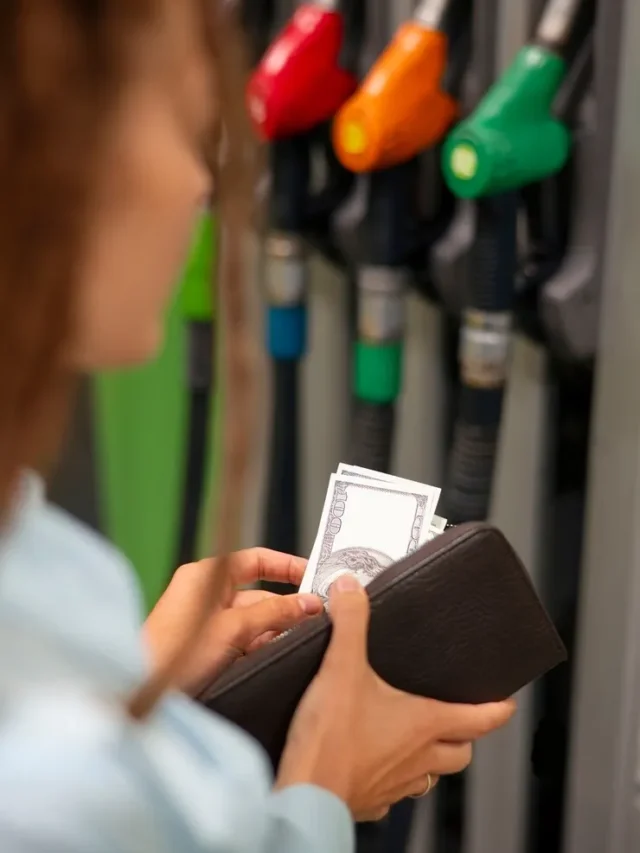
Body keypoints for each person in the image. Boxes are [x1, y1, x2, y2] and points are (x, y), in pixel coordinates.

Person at [0, 3, 516, 852]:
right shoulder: (56, 791)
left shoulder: (39, 547)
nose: (202, 182)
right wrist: (316, 791)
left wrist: (134, 677)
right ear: (50, 147)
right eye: (174, 113)